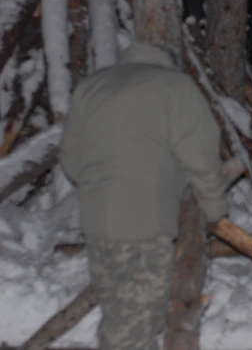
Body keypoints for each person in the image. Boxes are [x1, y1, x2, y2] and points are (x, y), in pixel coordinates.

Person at [59, 42, 230, 350]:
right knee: (136, 323)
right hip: (144, 227)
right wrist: (215, 208)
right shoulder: (175, 87)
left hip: (97, 224)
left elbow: (71, 160)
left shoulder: (92, 86)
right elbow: (201, 157)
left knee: (118, 313)